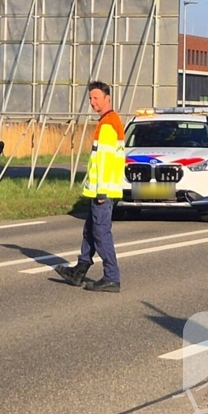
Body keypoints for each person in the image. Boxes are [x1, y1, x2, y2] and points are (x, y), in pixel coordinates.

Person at [54, 81, 126, 293]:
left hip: (103, 191)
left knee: (101, 233)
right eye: (90, 99)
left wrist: (101, 191)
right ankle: (80, 270)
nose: (92, 102)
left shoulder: (107, 125)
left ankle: (112, 277)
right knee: (90, 230)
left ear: (107, 98)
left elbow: (104, 162)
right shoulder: (110, 121)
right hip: (103, 190)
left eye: (96, 98)